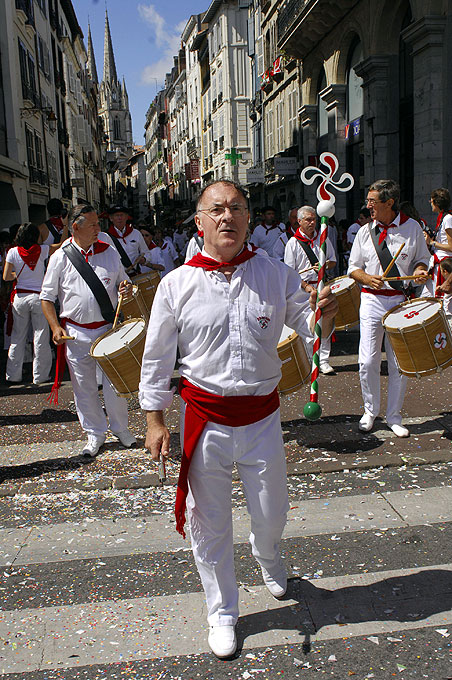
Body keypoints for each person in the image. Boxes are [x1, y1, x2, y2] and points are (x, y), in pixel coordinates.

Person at [138, 179, 337, 660]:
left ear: (248, 218)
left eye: (237, 208)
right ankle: (223, 610)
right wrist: (155, 420)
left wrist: (326, 312)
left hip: (263, 418)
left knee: (273, 513)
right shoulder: (176, 284)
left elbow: (311, 328)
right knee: (210, 523)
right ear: (200, 221)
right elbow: (157, 358)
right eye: (217, 209)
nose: (227, 217)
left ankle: (267, 553)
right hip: (204, 417)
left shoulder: (274, 274)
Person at [40, 205, 136, 457]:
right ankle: (95, 433)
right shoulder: (60, 257)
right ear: (75, 228)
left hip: (108, 328)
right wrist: (55, 326)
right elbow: (46, 298)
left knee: (115, 383)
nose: (98, 229)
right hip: (76, 333)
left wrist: (126, 288)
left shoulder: (110, 252)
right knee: (84, 387)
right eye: (93, 225)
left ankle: (121, 429)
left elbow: (124, 281)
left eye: (98, 224)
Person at [348, 179, 430, 438]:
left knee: (398, 363)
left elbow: (422, 260)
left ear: (390, 203)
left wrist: (419, 272)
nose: (368, 206)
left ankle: (394, 416)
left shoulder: (412, 228)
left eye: (373, 201)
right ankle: (370, 411)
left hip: (399, 301)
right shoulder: (364, 231)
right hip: (371, 299)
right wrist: (365, 278)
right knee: (368, 360)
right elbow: (352, 268)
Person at [3, 222, 67, 384]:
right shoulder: (43, 250)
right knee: (40, 336)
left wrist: (16, 273)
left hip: (20, 298)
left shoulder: (12, 252)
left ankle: (13, 375)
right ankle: (40, 375)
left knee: (18, 337)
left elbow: (6, 277)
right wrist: (65, 226)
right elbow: (61, 245)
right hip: (39, 299)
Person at [284, 205, 337, 374]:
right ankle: (310, 359)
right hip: (302, 292)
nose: (312, 222)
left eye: (314, 219)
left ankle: (324, 360)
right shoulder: (292, 244)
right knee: (308, 326)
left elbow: (333, 261)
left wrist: (325, 265)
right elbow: (290, 273)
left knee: (326, 320)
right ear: (299, 221)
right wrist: (306, 287)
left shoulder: (323, 238)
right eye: (308, 219)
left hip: (321, 285)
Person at [106, 205, 159, 275]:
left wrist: (144, 260)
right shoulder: (106, 237)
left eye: (122, 215)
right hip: (115, 278)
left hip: (133, 275)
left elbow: (147, 253)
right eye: (116, 215)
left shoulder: (136, 233)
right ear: (111, 218)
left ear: (126, 217)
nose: (119, 218)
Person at [422, 188, 452, 296]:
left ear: (437, 201)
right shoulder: (443, 218)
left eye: (431, 200)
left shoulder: (448, 218)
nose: (430, 203)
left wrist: (431, 242)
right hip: (437, 263)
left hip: (443, 265)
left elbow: (451, 246)